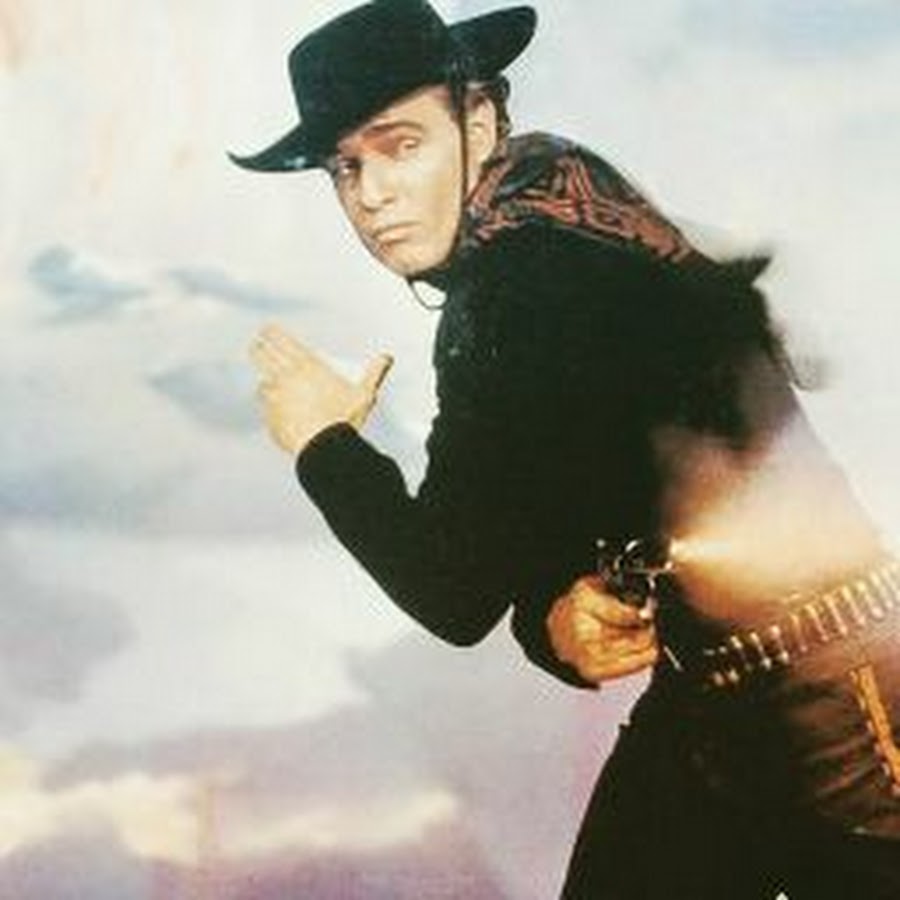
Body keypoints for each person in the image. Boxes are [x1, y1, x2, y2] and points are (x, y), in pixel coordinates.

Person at [231, 1, 900, 897]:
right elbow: (563, 494)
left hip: (837, 710)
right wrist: (555, 620)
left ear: (477, 122)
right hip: (722, 691)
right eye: (345, 167)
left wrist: (323, 441)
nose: (372, 194)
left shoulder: (518, 283)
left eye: (401, 146)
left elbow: (453, 588)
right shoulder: (572, 215)